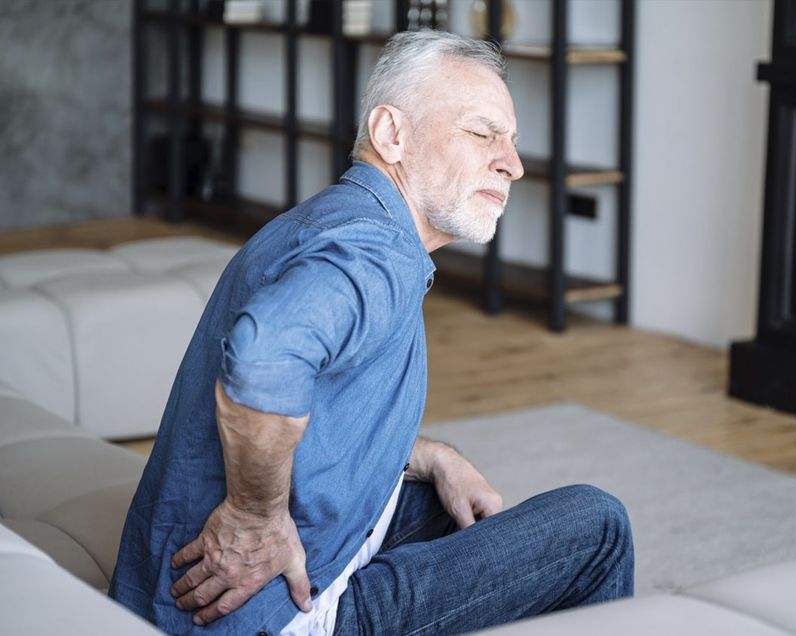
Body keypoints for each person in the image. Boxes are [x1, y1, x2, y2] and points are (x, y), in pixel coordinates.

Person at [110, 29, 634, 635]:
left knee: (448, 509)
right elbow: (264, 359)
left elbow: (313, 398)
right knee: (596, 528)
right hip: (265, 613)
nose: (512, 163)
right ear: (392, 134)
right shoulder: (375, 250)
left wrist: (430, 456)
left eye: (512, 141)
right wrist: (256, 517)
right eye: (482, 132)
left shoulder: (337, 218)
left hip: (177, 599)